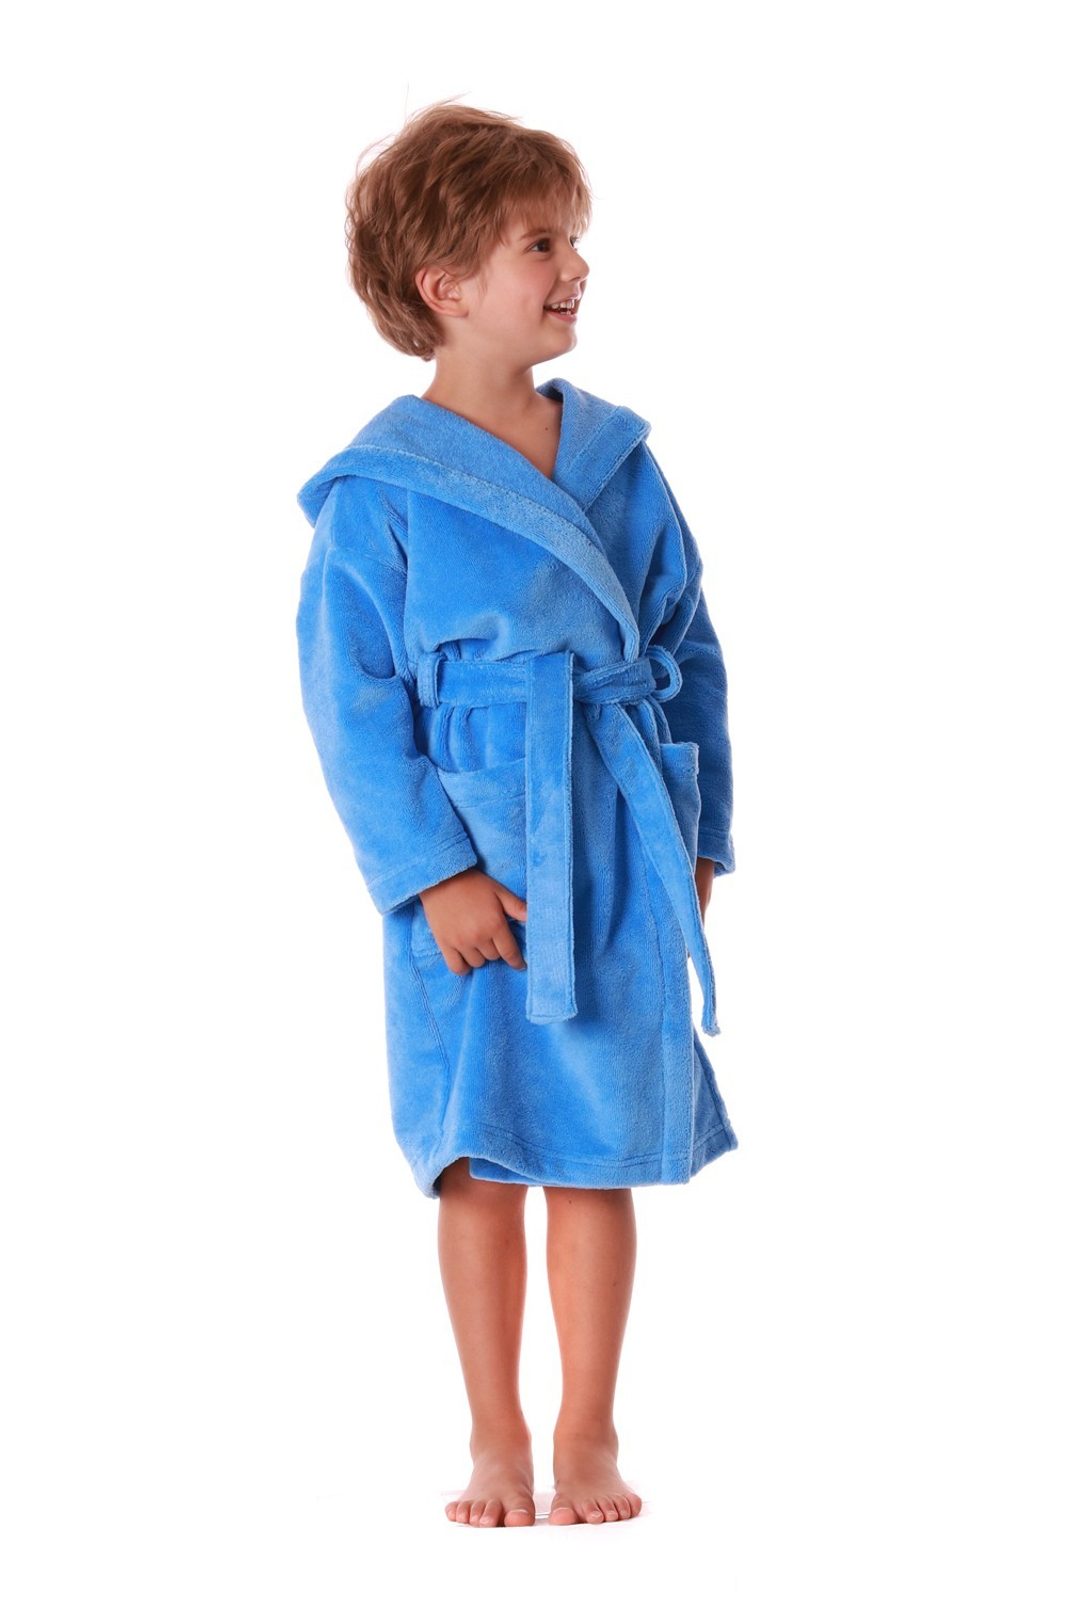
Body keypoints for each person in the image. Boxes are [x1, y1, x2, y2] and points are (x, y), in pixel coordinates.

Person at [295, 99, 739, 1528]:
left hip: (610, 835)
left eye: (573, 240)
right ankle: (496, 1439)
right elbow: (353, 702)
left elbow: (689, 646)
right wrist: (433, 872)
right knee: (478, 1156)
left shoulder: (618, 459)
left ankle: (589, 1434)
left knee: (598, 1151)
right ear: (446, 285)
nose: (575, 266)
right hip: (475, 859)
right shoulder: (381, 492)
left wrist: (700, 829)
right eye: (540, 243)